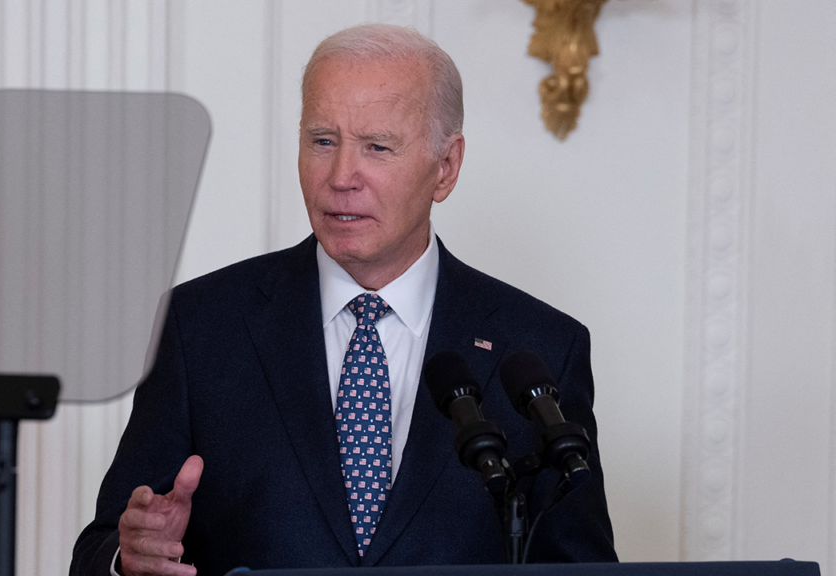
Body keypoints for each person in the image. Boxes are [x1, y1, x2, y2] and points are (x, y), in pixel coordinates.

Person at [71, 23, 616, 576]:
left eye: (377, 147)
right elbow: (99, 550)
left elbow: (581, 564)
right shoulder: (200, 327)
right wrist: (128, 558)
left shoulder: (543, 348)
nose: (340, 176)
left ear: (445, 168)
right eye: (322, 141)